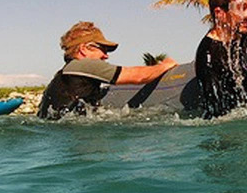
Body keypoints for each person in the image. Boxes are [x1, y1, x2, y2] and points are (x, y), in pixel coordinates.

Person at [38, 21, 178, 119]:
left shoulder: (65, 72)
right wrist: (165, 65)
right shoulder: (85, 65)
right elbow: (138, 77)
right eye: (102, 49)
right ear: (84, 49)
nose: (106, 55)